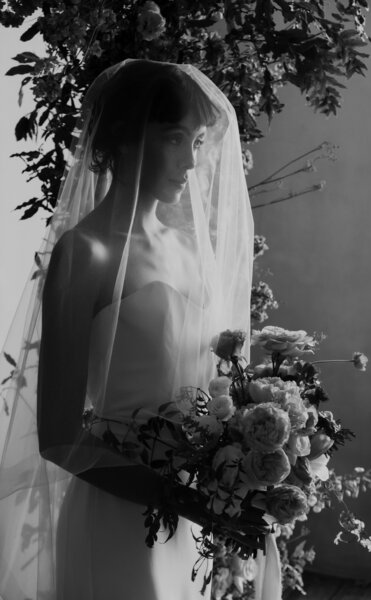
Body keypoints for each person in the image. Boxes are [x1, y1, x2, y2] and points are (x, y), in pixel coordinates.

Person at [0, 60, 281, 600]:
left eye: (198, 141)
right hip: (116, 518)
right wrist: (178, 498)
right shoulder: (85, 253)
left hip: (195, 517)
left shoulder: (189, 249)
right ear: (127, 137)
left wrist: (237, 469)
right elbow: (59, 438)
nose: (192, 161)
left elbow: (208, 392)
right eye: (176, 138)